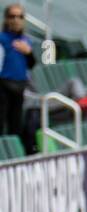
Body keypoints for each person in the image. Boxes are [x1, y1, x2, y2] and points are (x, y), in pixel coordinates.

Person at [0, 3, 36, 140]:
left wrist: (28, 52)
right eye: (12, 16)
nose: (16, 20)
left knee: (16, 124)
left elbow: (31, 64)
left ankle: (13, 153)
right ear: (7, 19)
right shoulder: (2, 39)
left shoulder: (25, 40)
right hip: (3, 86)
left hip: (19, 86)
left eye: (20, 16)